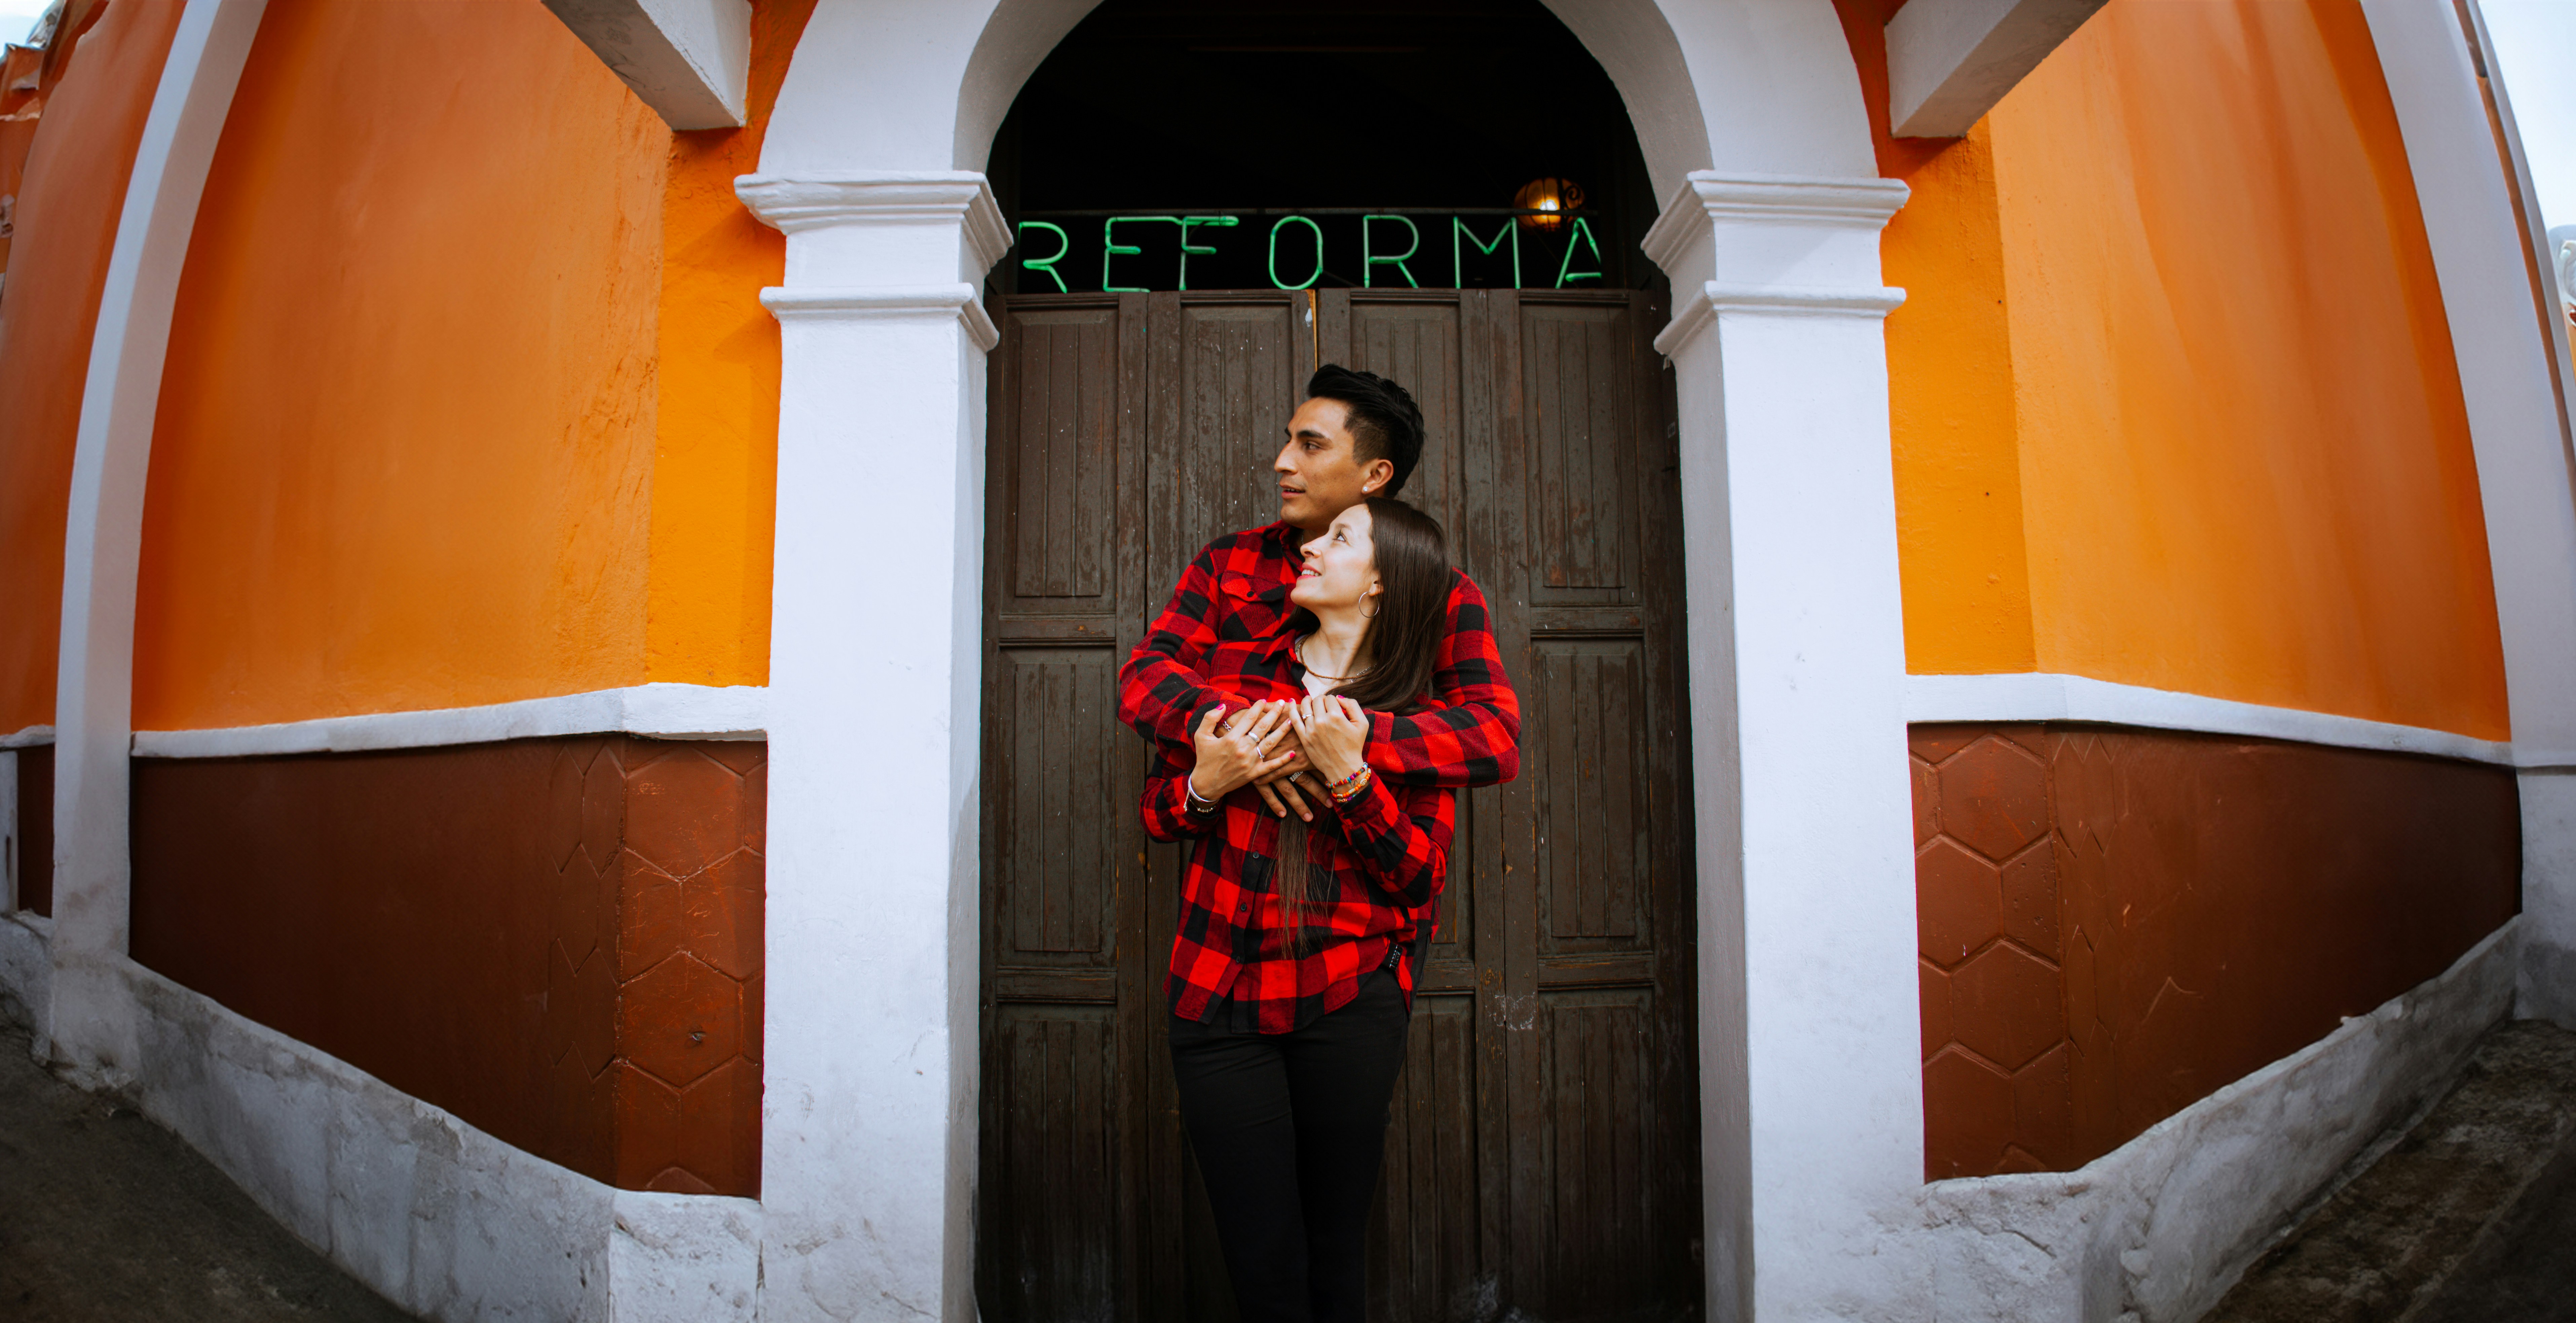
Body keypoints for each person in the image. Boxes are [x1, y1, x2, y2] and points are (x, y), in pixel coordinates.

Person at [1140, 497, 1459, 1323]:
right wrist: (1205, 785)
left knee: (1334, 1250)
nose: (1310, 546)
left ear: (1381, 583)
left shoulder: (1417, 716)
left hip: (1346, 1000)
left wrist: (1353, 778)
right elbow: (1158, 813)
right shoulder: (1237, 680)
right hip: (1216, 999)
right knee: (1260, 1260)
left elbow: (1419, 878)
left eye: (1339, 537)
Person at [1116, 364, 1519, 820]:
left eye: (1310, 445)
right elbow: (1143, 676)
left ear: (1375, 474)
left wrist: (1337, 741)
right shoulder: (1229, 560)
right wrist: (1243, 732)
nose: (1283, 461)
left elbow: (1495, 734)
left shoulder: (1440, 590)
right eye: (1289, 441)